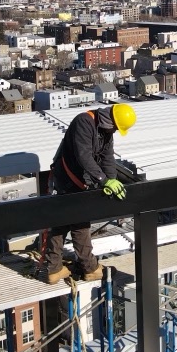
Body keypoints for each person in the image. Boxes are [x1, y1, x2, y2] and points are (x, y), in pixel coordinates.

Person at [46, 104, 136, 284]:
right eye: (116, 128)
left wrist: (112, 180)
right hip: (67, 179)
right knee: (77, 223)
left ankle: (54, 268)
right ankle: (88, 267)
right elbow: (83, 156)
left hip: (78, 179)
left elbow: (107, 157)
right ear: (110, 121)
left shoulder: (105, 131)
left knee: (63, 222)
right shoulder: (84, 122)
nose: (116, 131)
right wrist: (103, 180)